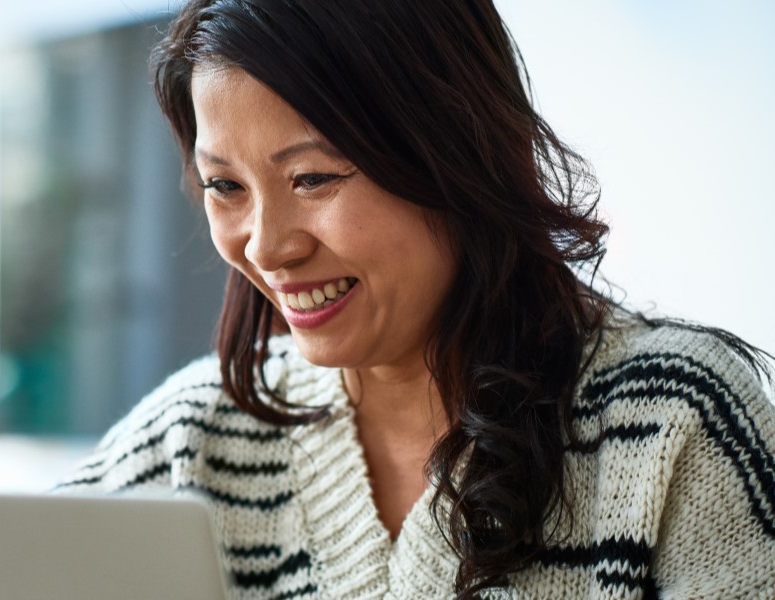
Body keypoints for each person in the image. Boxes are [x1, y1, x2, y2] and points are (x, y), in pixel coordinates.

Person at [55, 0, 775, 598]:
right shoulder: (193, 440)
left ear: (454, 152)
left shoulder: (674, 424)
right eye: (226, 187)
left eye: (312, 178)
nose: (268, 247)